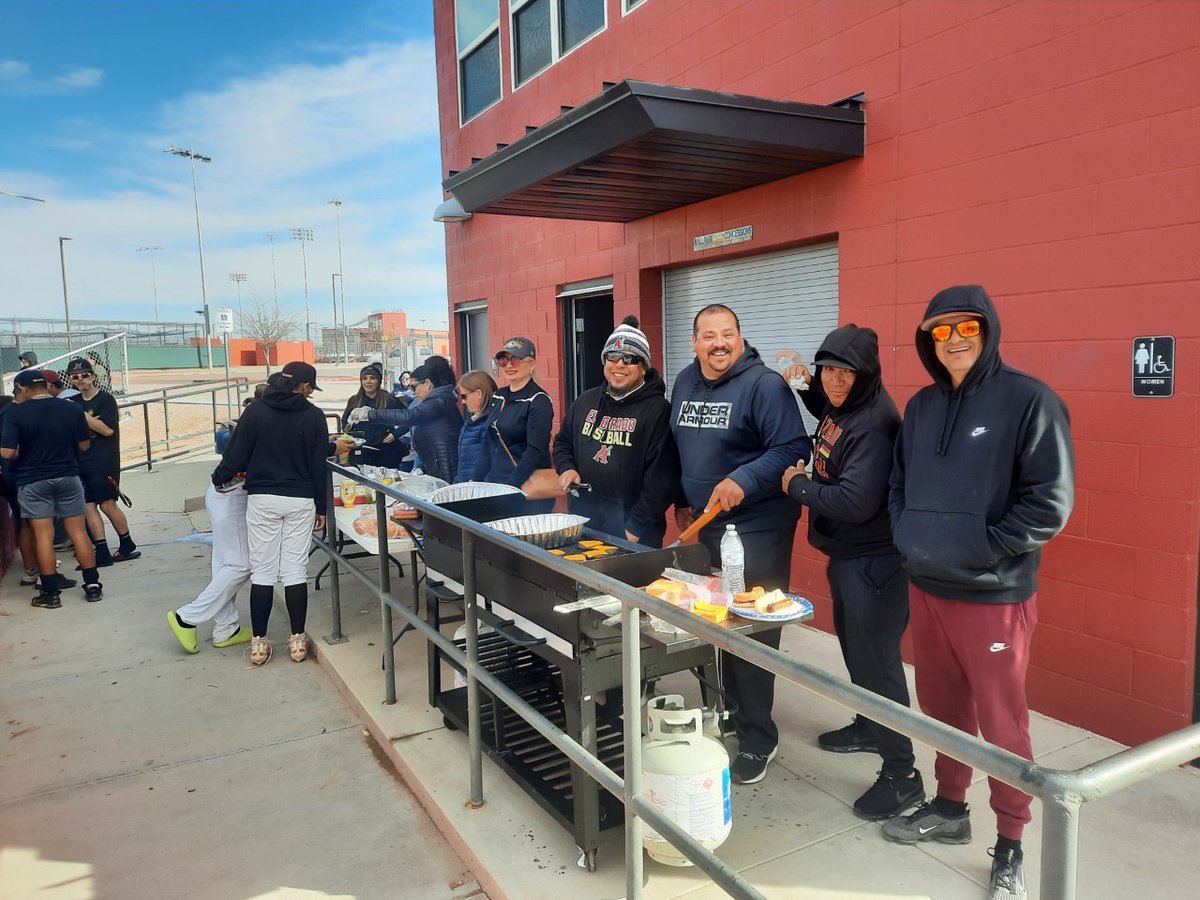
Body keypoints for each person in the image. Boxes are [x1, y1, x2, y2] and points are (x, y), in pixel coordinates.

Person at [882, 285, 1074, 900]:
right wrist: (911, 537)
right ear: (927, 341)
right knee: (942, 710)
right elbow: (898, 486)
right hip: (928, 587)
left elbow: (1050, 504)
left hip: (993, 595)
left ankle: (1011, 844)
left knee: (1002, 722)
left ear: (987, 329)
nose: (954, 340)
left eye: (965, 327)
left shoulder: (1029, 400)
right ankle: (949, 809)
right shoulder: (919, 408)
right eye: (940, 331)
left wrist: (980, 548)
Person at [781, 324, 922, 820]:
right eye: (828, 371)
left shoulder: (874, 424)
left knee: (878, 665)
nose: (834, 382)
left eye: (845, 373)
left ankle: (902, 774)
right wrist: (804, 388)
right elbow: (831, 415)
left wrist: (797, 484)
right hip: (852, 559)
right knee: (857, 654)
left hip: (874, 563)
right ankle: (869, 723)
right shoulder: (848, 406)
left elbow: (855, 501)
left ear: (867, 375)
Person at [670, 304, 811, 784]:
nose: (718, 343)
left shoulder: (764, 385)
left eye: (726, 334)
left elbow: (794, 448)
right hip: (708, 523)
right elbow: (681, 447)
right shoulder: (686, 381)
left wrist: (743, 479)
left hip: (757, 525)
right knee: (716, 621)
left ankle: (757, 739)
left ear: (740, 335)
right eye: (708, 336)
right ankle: (729, 714)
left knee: (751, 628)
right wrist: (682, 500)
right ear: (694, 342)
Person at [210, 361, 329, 667]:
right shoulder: (314, 416)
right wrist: (322, 506)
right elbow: (319, 465)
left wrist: (219, 477)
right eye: (309, 387)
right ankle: (298, 639)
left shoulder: (257, 411)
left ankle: (260, 644)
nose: (309, 393)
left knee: (262, 572)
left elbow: (236, 453)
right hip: (300, 499)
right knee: (294, 571)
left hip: (263, 498)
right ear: (302, 387)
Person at [553, 316, 679, 547]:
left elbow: (663, 478)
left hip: (633, 534)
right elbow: (563, 442)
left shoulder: (658, 410)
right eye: (613, 356)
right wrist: (567, 468)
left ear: (643, 368)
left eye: (630, 359)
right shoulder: (585, 401)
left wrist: (635, 528)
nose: (620, 364)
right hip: (584, 522)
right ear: (604, 362)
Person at [0, 369, 102, 607]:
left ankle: (50, 593)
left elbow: (7, 452)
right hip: (68, 476)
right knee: (78, 532)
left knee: (43, 536)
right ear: (46, 385)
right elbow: (84, 445)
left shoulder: (17, 413)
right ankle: (93, 585)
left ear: (22, 388)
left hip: (32, 480)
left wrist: (25, 451)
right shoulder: (71, 408)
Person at [166, 479, 253, 653]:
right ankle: (187, 617)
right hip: (232, 494)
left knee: (225, 563)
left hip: (225, 492)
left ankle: (227, 628)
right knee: (241, 564)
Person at [67, 357, 138, 565]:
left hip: (104, 461)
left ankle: (127, 543)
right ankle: (102, 550)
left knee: (107, 505)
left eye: (85, 375)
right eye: (75, 377)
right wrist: (90, 422)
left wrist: (83, 417)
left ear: (93, 376)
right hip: (82, 461)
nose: (81, 380)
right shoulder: (74, 402)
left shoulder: (105, 400)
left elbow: (107, 430)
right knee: (88, 506)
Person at [348, 357, 462, 484]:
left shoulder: (439, 401)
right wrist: (421, 468)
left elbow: (409, 416)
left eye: (414, 387)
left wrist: (369, 414)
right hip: (436, 464)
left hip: (446, 468)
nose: (412, 392)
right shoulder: (437, 400)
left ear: (427, 383)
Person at [473, 337, 555, 510]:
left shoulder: (538, 400)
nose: (509, 366)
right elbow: (488, 442)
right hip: (497, 485)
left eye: (516, 360)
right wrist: (475, 482)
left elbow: (535, 451)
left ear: (532, 365)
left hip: (526, 490)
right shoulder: (498, 396)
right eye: (504, 360)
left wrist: (510, 488)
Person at [341, 363, 407, 467]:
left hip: (386, 451)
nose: (368, 381)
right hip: (361, 450)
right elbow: (344, 424)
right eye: (364, 378)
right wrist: (349, 430)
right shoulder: (354, 400)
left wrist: (395, 434)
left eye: (372, 378)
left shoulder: (389, 400)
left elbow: (409, 419)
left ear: (379, 381)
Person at [454, 369, 497, 484]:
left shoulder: (490, 424)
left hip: (480, 493)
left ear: (479, 394)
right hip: (468, 490)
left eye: (464, 396)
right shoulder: (472, 421)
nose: (463, 402)